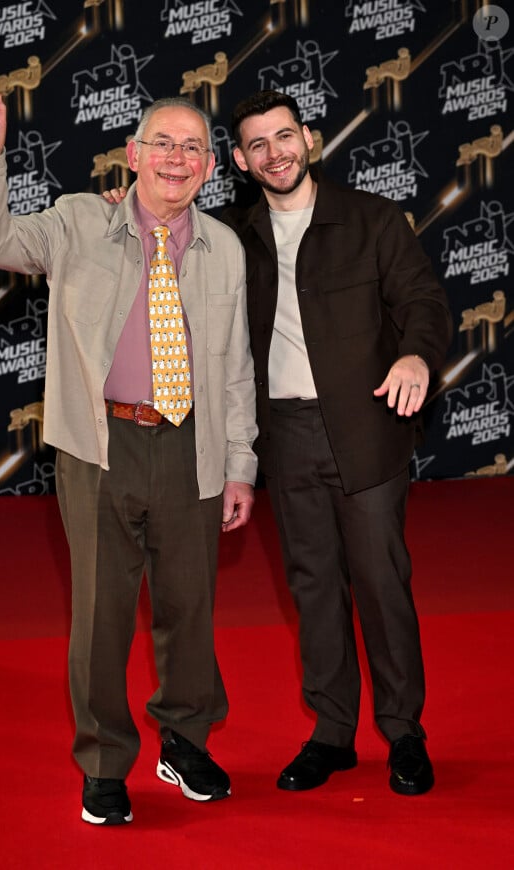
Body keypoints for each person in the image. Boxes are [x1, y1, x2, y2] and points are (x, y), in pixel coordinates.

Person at [0, 74, 258, 825]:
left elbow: (237, 365)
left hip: (193, 447)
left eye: (192, 148)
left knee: (190, 608)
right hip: (99, 447)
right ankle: (104, 765)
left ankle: (183, 743)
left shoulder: (225, 249)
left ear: (210, 167)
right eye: (162, 144)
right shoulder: (79, 223)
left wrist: (241, 463)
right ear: (132, 153)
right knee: (101, 615)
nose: (175, 159)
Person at [223, 90, 452, 796]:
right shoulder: (235, 237)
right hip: (285, 437)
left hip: (367, 428)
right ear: (239, 159)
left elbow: (425, 304)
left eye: (284, 137)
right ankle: (331, 733)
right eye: (257, 144)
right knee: (314, 587)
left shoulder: (372, 219)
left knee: (382, 585)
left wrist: (416, 356)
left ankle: (404, 733)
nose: (274, 153)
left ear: (311, 139)